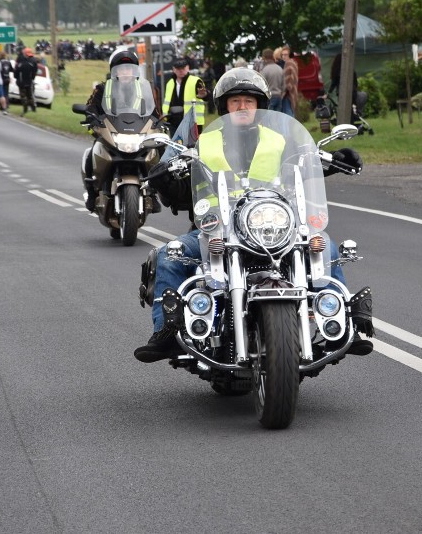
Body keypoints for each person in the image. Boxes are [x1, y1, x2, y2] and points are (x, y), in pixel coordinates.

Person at [135, 67, 370, 363]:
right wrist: (165, 180)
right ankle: (165, 333)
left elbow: (305, 167)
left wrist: (333, 162)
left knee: (324, 245)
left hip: (273, 228)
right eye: (235, 101)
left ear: (260, 105)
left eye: (249, 100)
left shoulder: (281, 141)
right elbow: (185, 191)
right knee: (170, 255)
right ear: (224, 107)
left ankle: (342, 324)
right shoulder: (203, 145)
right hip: (215, 233)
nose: (243, 107)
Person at [82, 48, 161, 213]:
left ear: (135, 71)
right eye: (121, 69)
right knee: (91, 153)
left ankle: (153, 192)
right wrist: (91, 117)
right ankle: (91, 192)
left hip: (137, 132)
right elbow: (92, 107)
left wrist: (159, 123)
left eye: (129, 69)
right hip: (111, 130)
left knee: (158, 151)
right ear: (114, 71)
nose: (126, 72)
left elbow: (155, 113)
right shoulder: (102, 89)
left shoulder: (145, 89)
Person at [163, 57, 206, 138]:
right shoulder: (170, 83)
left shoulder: (196, 81)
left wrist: (204, 95)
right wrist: (165, 115)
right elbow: (167, 101)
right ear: (174, 69)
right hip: (173, 122)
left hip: (192, 122)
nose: (181, 71)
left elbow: (206, 95)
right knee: (176, 148)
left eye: (183, 68)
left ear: (188, 68)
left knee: (192, 148)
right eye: (178, 69)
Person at [14, 47, 38, 115]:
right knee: (30, 95)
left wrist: (17, 79)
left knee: (23, 96)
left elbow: (15, 73)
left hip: (22, 82)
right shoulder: (33, 62)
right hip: (29, 82)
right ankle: (33, 109)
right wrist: (32, 78)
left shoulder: (20, 63)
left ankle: (25, 109)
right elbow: (34, 72)